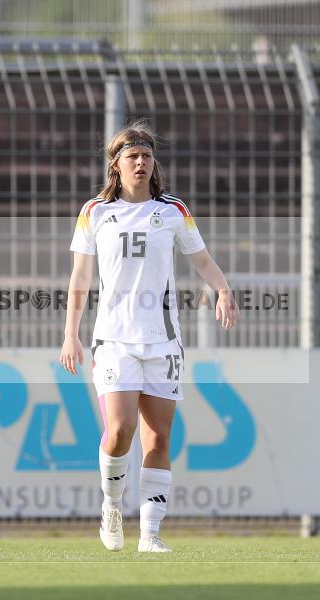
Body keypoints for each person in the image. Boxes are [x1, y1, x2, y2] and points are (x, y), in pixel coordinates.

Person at [60, 120, 238, 553]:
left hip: (163, 341)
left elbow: (201, 260)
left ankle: (151, 534)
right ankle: (112, 507)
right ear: (116, 166)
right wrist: (71, 334)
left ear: (153, 162)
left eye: (146, 155)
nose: (140, 162)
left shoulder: (173, 210)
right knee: (119, 430)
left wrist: (223, 288)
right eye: (131, 156)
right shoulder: (95, 212)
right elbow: (80, 277)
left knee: (157, 437)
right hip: (114, 340)